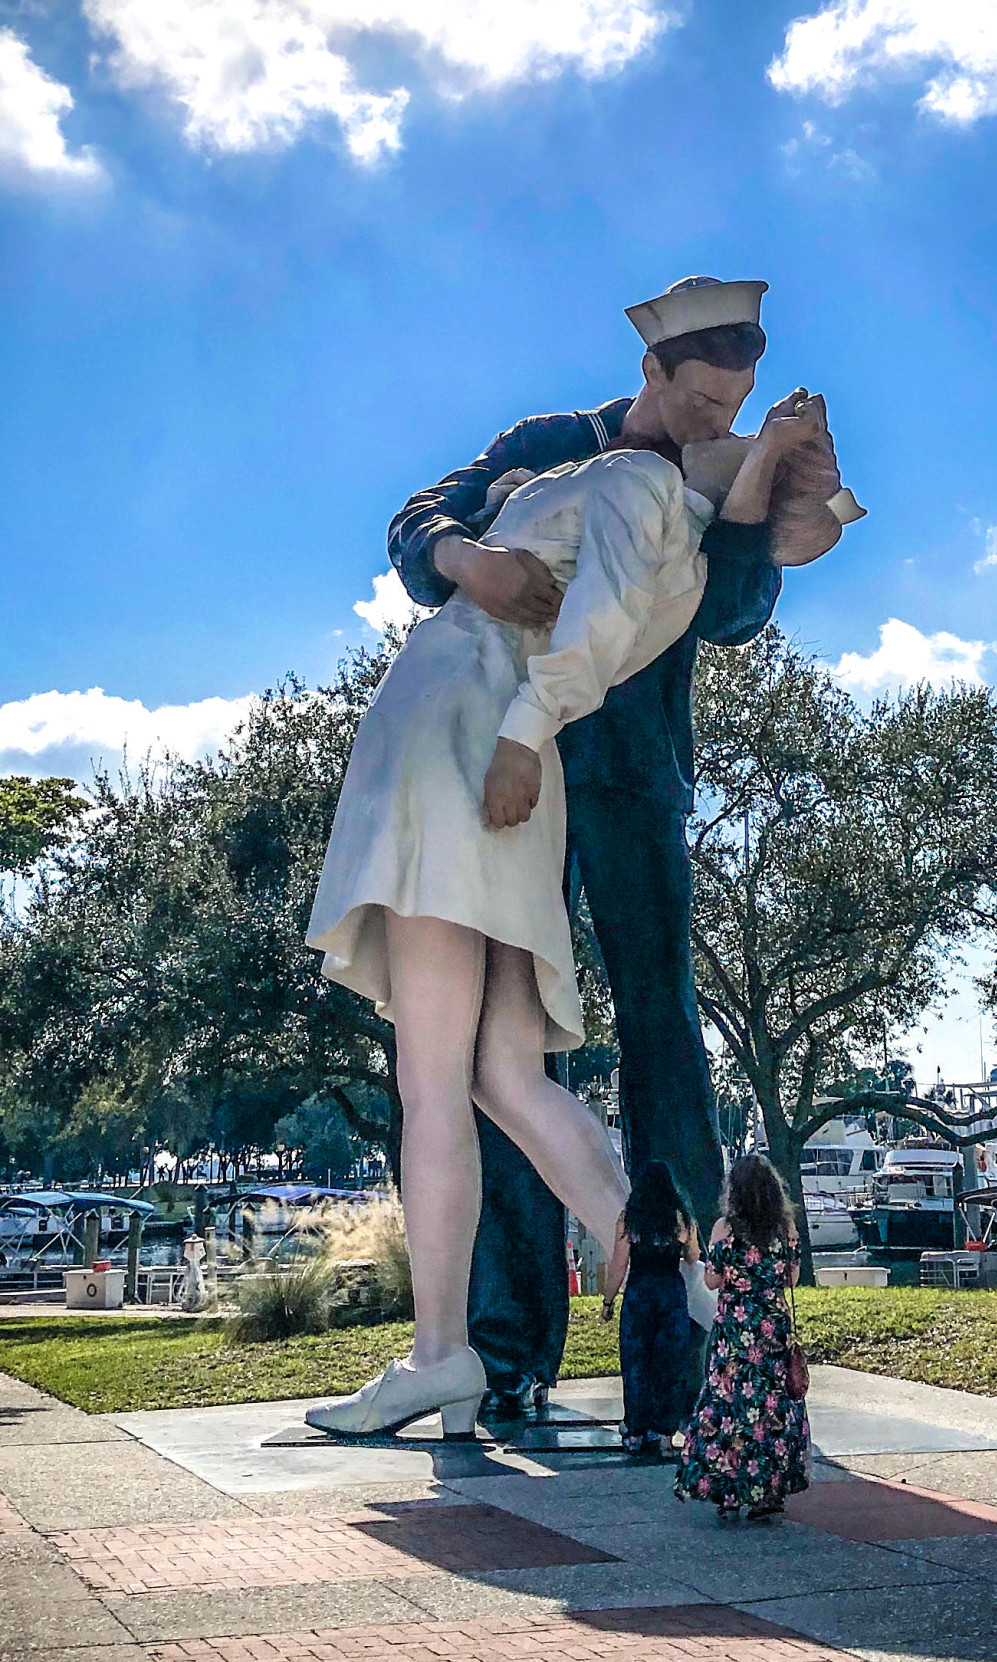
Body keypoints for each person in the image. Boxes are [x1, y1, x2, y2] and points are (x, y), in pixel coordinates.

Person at [302, 353, 824, 1438]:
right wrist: (461, 555)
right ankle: (524, 1337)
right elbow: (422, 521)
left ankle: (641, 1318)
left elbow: (728, 608)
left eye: (734, 408)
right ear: (655, 366)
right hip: (501, 749)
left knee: (640, 1031)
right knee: (497, 1068)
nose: (714, 416)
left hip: (581, 766)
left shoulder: (681, 485)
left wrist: (756, 484)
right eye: (705, 396)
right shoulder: (552, 445)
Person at [675, 1152, 810, 1522]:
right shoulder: (785, 1229)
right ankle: (769, 1489)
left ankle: (729, 1488)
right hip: (772, 1325)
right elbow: (792, 1278)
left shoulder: (724, 1229)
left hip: (735, 1329)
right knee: (771, 1408)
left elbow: (712, 1280)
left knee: (730, 1406)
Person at [601, 1160, 699, 1458]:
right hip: (671, 1295)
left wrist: (608, 1301)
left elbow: (619, 1264)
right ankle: (665, 1435)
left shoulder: (630, 1218)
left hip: (639, 1296)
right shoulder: (681, 1218)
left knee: (636, 1364)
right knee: (669, 1365)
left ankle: (635, 1432)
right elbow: (693, 1256)